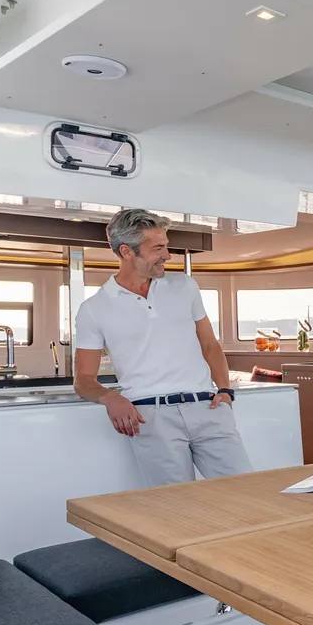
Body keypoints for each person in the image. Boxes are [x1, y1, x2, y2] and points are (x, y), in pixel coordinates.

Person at [73, 208, 252, 486]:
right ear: (126, 251)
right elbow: (83, 380)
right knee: (175, 505)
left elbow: (209, 344)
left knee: (246, 491)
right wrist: (111, 398)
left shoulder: (185, 286)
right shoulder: (94, 309)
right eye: (158, 248)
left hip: (207, 407)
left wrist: (225, 390)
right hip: (151, 418)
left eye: (166, 246)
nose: (167, 255)